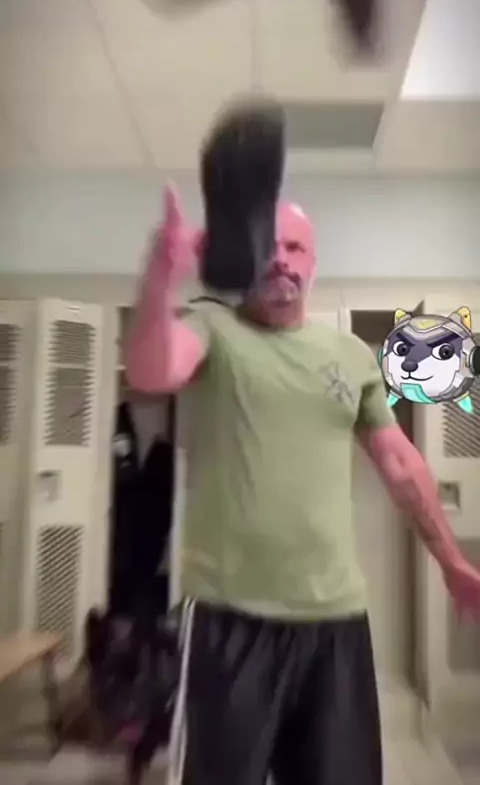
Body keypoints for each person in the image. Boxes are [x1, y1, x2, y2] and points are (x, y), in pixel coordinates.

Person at [125, 186, 480, 785]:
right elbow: (150, 368)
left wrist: (451, 561)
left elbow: (399, 462)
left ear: (312, 263)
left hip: (335, 623)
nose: (281, 259)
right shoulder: (213, 326)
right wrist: (161, 275)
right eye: (269, 246)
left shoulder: (350, 355)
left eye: (295, 248)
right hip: (228, 622)